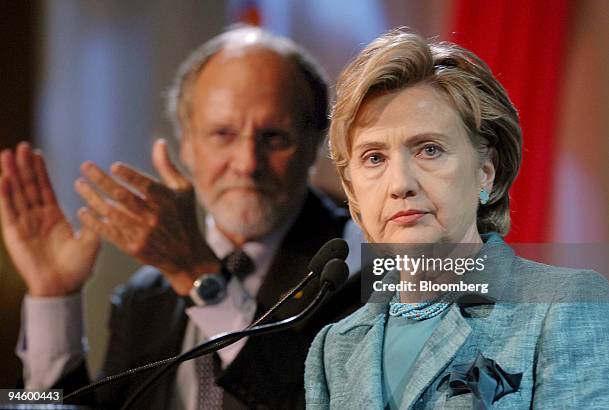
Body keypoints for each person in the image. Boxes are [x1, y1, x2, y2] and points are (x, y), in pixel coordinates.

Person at [0, 26, 362, 409]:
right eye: (222, 134)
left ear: (315, 145)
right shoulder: (144, 295)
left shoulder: (366, 264)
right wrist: (53, 297)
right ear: (185, 145)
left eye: (274, 137)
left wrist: (201, 278)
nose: (247, 164)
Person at [304, 28, 609, 409]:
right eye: (374, 158)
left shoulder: (562, 306)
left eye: (429, 150)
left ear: (486, 171)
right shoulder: (335, 346)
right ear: (352, 191)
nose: (400, 184)